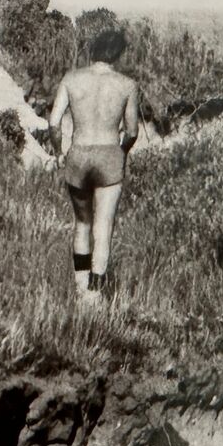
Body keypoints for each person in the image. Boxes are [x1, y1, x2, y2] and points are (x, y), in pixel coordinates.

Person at [47, 27, 141, 300]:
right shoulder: (127, 85)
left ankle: (80, 290)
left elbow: (54, 123)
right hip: (109, 155)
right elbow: (132, 131)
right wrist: (121, 152)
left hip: (79, 154)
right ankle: (97, 295)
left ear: (94, 50)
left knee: (82, 224)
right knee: (104, 227)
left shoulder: (72, 78)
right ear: (118, 54)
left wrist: (58, 153)